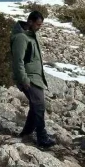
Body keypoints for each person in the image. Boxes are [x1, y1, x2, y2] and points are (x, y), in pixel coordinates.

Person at [11, 10, 55, 148]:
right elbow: (17, 61)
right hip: (29, 78)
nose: (39, 27)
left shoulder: (31, 36)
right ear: (30, 21)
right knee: (39, 106)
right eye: (38, 24)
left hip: (36, 78)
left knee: (36, 106)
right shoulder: (21, 38)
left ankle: (27, 132)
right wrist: (23, 79)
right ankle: (42, 136)